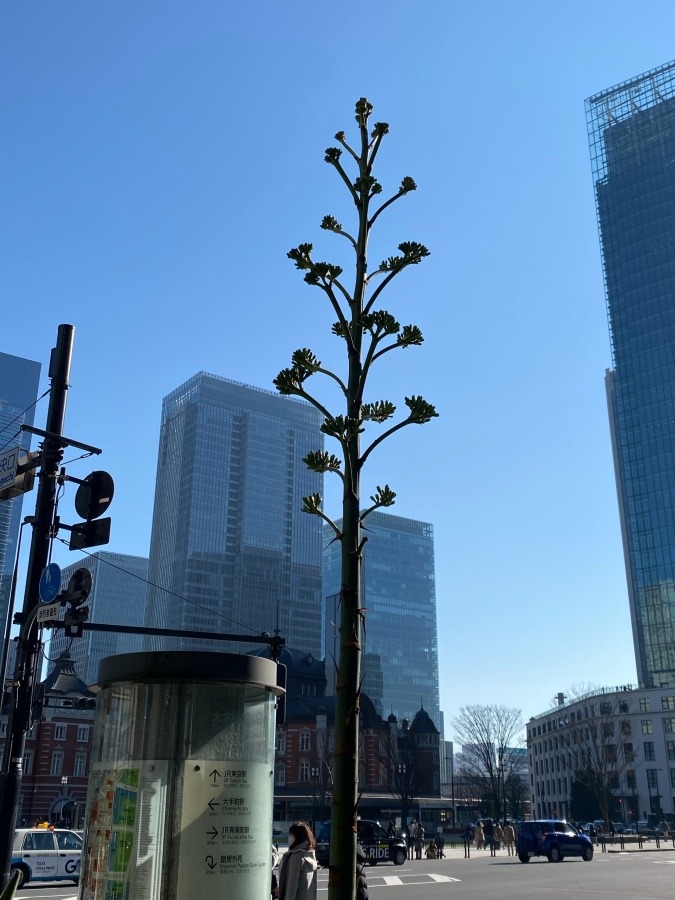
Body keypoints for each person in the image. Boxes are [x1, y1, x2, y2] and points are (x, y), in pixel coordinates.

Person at [277, 822, 318, 900]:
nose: (289, 838)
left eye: (291, 835)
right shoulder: (310, 854)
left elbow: (291, 888)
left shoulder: (296, 857)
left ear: (298, 837)